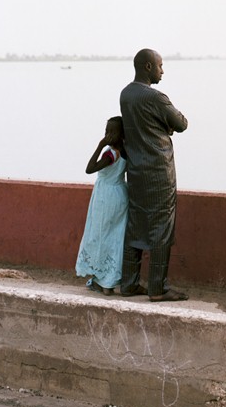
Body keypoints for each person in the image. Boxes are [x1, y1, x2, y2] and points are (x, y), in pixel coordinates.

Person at [120, 48, 189, 301]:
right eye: (160, 66)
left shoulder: (126, 94)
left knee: (136, 225)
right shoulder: (156, 97)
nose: (162, 70)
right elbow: (181, 123)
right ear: (148, 67)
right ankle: (158, 288)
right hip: (159, 171)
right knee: (162, 226)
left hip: (136, 170)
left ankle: (129, 283)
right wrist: (167, 126)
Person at [75, 117, 135, 296]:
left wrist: (100, 145)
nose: (108, 135)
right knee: (116, 239)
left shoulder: (111, 153)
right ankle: (108, 281)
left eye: (111, 131)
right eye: (106, 131)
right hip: (120, 194)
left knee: (100, 236)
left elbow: (89, 168)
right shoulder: (126, 150)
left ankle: (103, 282)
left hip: (105, 197)